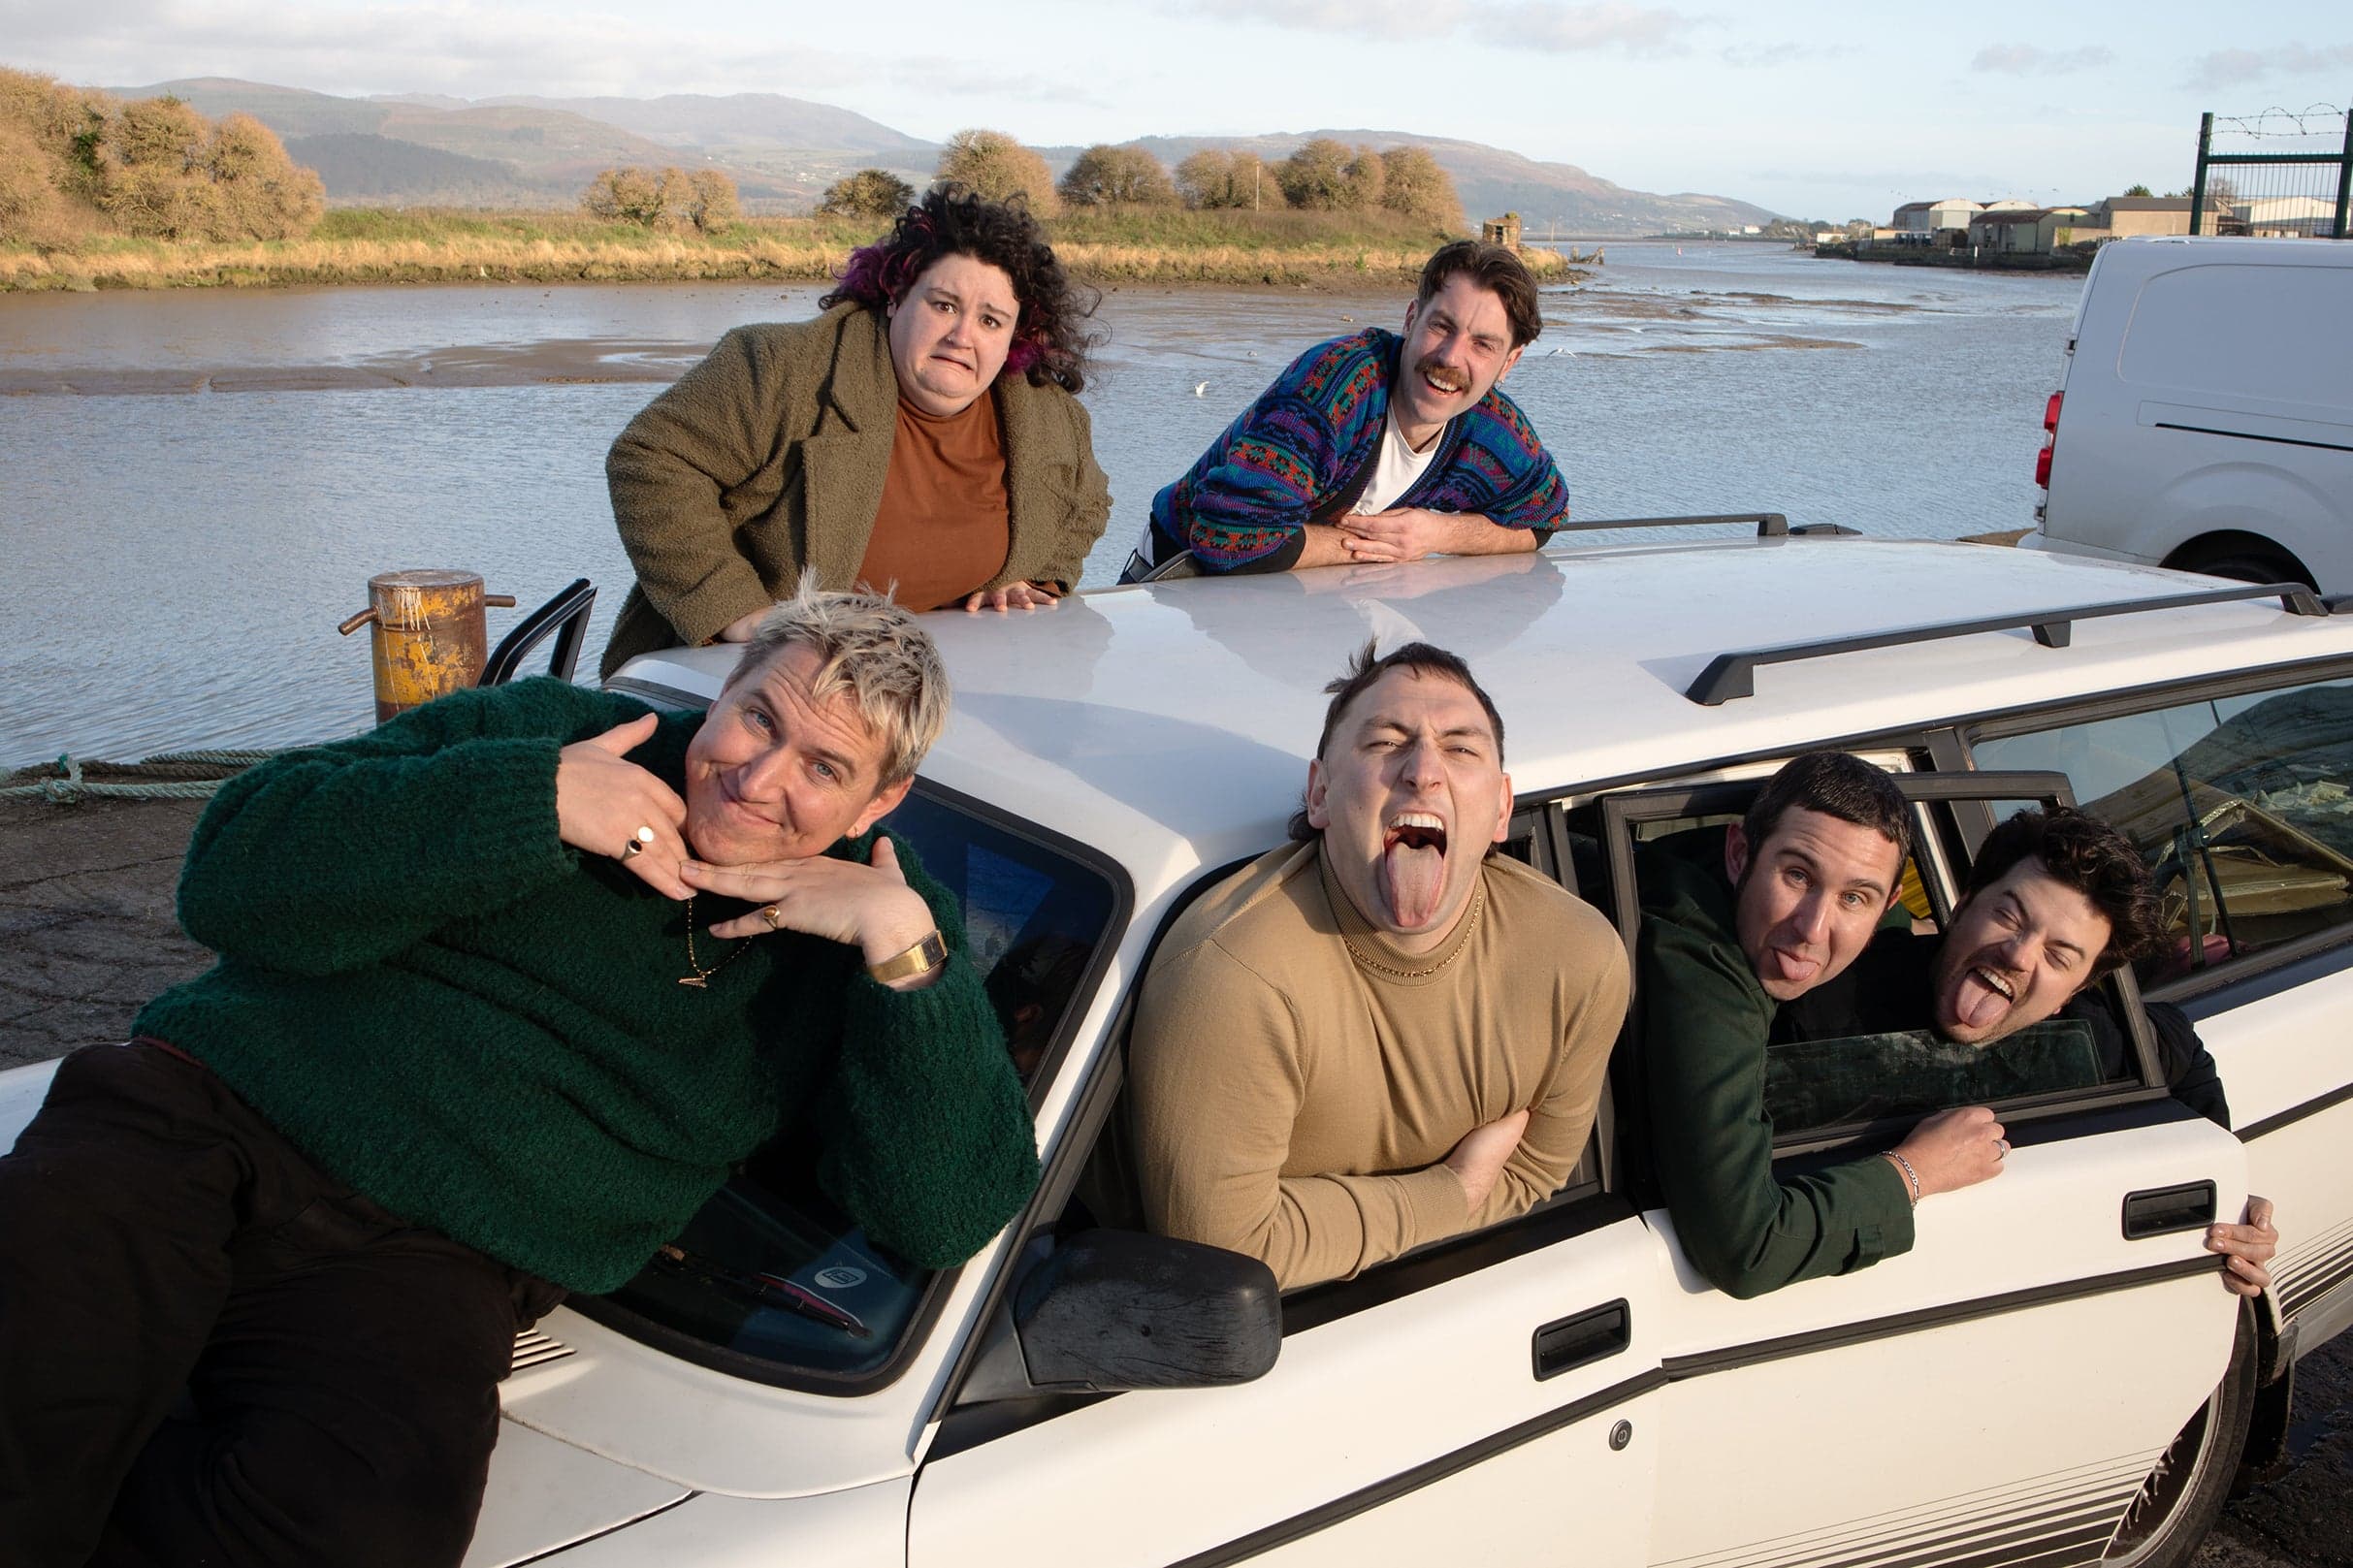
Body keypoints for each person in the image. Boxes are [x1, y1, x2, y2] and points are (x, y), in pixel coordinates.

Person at [0, 582, 1041, 1568]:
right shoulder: (551, 733)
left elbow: (945, 1215)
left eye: (823, 767)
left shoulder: (884, 924)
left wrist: (903, 954)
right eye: (758, 718)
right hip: (206, 1113)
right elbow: (228, 873)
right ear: (725, 689)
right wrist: (527, 798)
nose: (759, 779)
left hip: (438, 1251)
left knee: (354, 1532)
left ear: (879, 800)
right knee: (27, 1389)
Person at [1128, 641, 1627, 1290]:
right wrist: (1455, 1188)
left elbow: (1533, 1172)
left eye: (1461, 748)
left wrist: (1313, 1228)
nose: (1423, 770)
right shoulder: (1235, 978)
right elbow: (1224, 1253)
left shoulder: (1578, 959)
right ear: (1320, 794)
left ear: (1502, 809)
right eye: (1386, 742)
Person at [600, 186, 1113, 678]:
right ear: (895, 297)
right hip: (735, 679)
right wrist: (734, 610)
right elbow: (651, 458)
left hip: (941, 686)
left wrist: (1036, 574)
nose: (962, 336)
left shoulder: (1049, 416)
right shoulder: (780, 368)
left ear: (1016, 338)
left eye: (990, 321)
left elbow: (1088, 504)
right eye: (943, 305)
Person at [1776, 804, 2276, 1296]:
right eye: (2009, 917)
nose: (2018, 955)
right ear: (1962, 906)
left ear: (2073, 992)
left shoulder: (2093, 1039)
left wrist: (2235, 1202)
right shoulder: (1820, 999)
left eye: (2058, 956)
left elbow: (2183, 1055)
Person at [1638, 751, 1984, 1298]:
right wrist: (1914, 1172)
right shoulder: (1703, 970)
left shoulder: (1699, 871)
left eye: (1854, 898)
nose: (1813, 929)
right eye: (1798, 876)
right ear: (1739, 853)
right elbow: (1747, 1248)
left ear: (1885, 908)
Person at [1121, 240, 1566, 581]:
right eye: (1441, 326)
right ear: (1411, 319)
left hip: (1307, 595)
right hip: (1175, 585)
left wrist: (1435, 534)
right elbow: (1229, 537)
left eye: (1482, 345)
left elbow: (1543, 518)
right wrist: (1377, 546)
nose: (1451, 357)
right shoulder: (1333, 386)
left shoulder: (1491, 429)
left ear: (1509, 362)